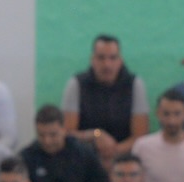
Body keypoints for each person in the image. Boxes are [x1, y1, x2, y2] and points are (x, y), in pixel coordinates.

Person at [62, 35, 150, 163]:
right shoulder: (76, 84)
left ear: (120, 60)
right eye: (101, 58)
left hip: (124, 160)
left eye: (113, 58)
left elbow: (140, 136)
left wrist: (113, 152)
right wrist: (96, 134)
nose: (107, 64)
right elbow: (67, 133)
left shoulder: (135, 85)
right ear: (92, 59)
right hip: (84, 159)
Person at [22, 103, 106, 182]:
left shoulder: (84, 154)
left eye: (53, 135)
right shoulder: (27, 157)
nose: (47, 141)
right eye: (41, 135)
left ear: (64, 129)